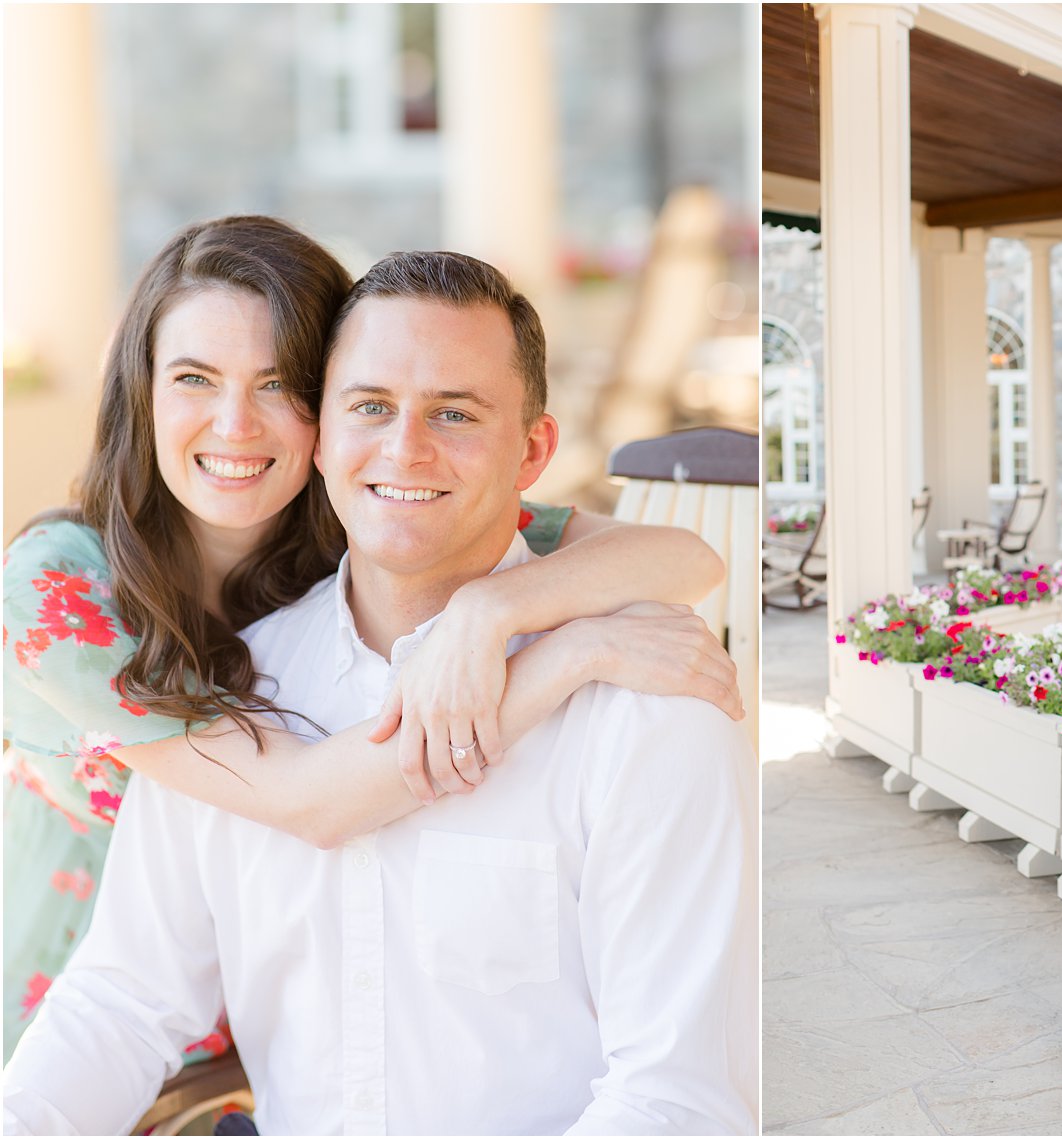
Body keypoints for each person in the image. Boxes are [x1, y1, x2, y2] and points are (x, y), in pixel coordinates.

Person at [4, 250, 757, 1135]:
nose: (407, 449)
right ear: (323, 435)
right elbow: (125, 1000)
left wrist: (506, 622)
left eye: (456, 412)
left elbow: (679, 1096)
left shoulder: (647, 703)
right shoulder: (230, 691)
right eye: (370, 406)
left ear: (534, 451)